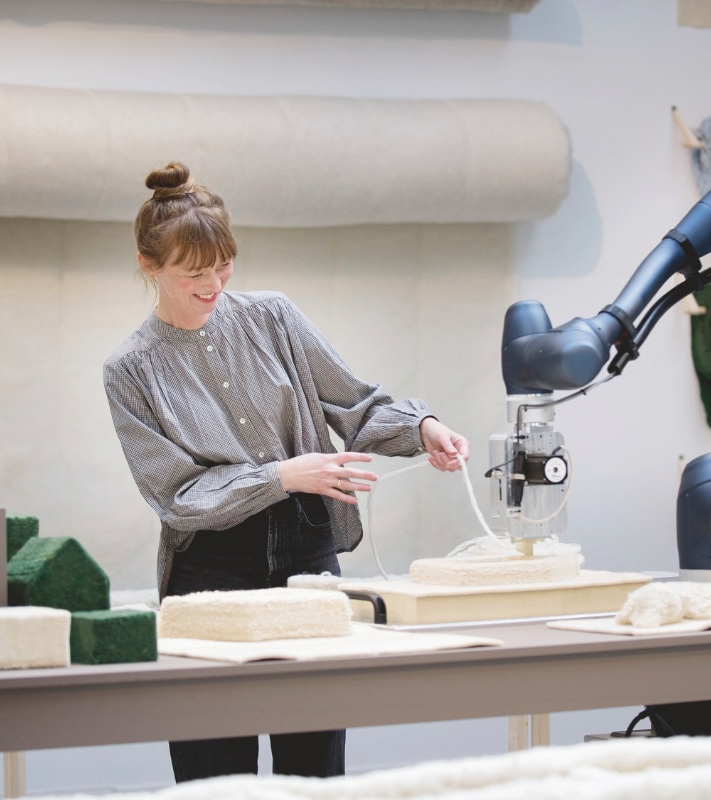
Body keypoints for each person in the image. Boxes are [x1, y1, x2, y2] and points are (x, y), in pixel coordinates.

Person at [102, 161, 470, 783]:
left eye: (224, 265)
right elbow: (178, 497)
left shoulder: (273, 316)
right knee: (215, 772)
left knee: (314, 762)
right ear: (148, 266)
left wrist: (423, 427)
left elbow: (355, 403)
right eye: (194, 273)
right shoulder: (131, 370)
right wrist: (281, 475)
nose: (213, 284)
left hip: (307, 554)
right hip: (208, 568)